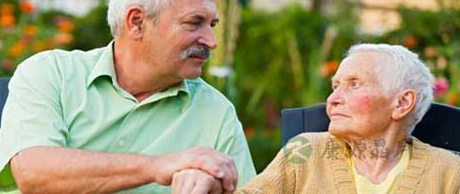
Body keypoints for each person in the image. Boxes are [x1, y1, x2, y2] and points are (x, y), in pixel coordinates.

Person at [0, 0, 255, 194]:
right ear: (137, 22)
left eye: (212, 25)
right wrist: (160, 167)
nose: (211, 40)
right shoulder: (51, 73)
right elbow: (33, 173)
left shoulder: (217, 113)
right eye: (194, 23)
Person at [172, 43, 460, 194]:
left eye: (355, 84)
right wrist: (210, 185)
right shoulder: (306, 152)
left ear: (402, 103)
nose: (333, 99)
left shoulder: (449, 173)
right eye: (335, 86)